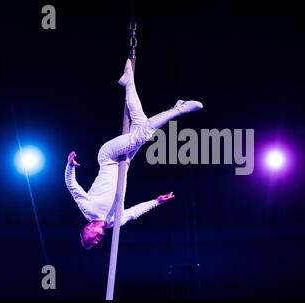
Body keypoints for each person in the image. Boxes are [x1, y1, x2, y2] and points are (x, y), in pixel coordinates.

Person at [65, 58, 203, 249]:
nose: (96, 240)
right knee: (140, 121)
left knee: (142, 135)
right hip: (125, 162)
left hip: (108, 157)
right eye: (96, 243)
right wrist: (156, 201)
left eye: (90, 239)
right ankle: (128, 82)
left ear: (86, 228)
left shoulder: (88, 210)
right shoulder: (116, 222)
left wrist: (70, 166)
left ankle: (178, 109)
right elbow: (135, 212)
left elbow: (71, 186)